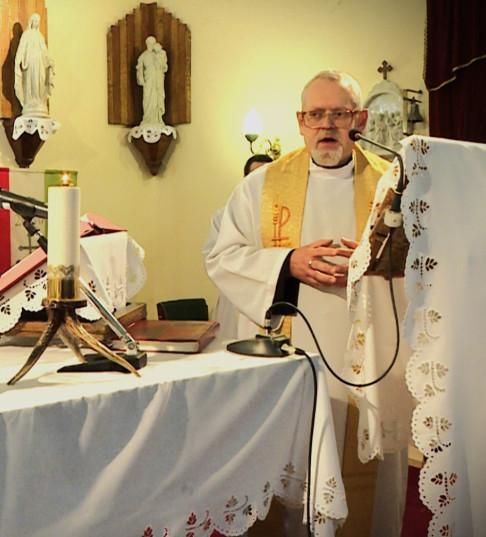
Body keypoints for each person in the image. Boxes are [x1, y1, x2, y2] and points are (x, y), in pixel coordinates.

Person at [205, 70, 405, 536]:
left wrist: (375, 265)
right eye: (316, 114)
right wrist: (286, 262)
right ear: (300, 122)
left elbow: (426, 265)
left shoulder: (392, 188)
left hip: (366, 362)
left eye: (339, 114)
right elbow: (222, 256)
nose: (327, 125)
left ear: (361, 120)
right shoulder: (260, 186)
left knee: (360, 487)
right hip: (288, 363)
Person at [202, 154, 273, 341]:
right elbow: (212, 257)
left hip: (272, 296)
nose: (260, 181)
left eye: (266, 175)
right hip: (234, 299)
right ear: (245, 180)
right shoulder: (224, 215)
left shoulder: (283, 216)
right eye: (255, 175)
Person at [13, 13, 54, 118]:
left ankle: (39, 100)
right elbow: (21, 49)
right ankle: (30, 101)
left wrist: (49, 61)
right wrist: (18, 60)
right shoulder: (26, 35)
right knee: (32, 81)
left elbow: (44, 51)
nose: (36, 23)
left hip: (40, 61)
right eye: (34, 21)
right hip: (30, 62)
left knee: (41, 79)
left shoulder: (40, 36)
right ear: (31, 22)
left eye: (38, 22)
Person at [135, 36, 168, 126]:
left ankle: (157, 118)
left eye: (153, 43)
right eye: (149, 43)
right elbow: (139, 68)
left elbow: (164, 67)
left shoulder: (158, 54)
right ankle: (147, 118)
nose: (151, 45)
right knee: (147, 97)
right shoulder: (143, 55)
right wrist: (141, 79)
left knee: (157, 98)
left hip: (157, 80)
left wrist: (159, 55)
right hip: (148, 80)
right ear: (147, 44)